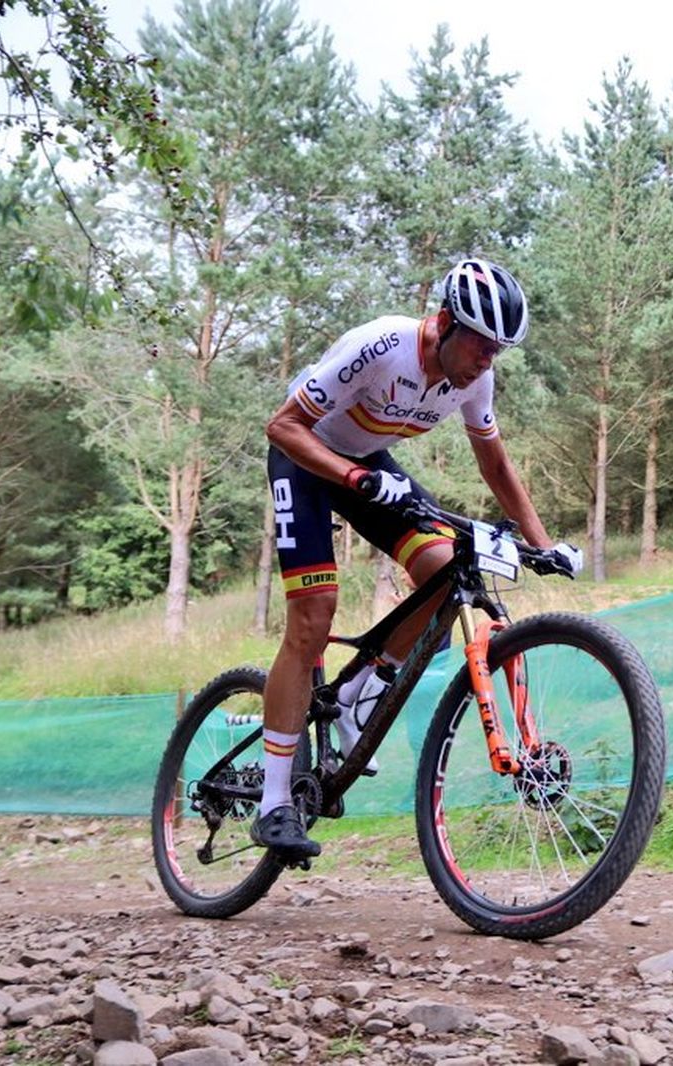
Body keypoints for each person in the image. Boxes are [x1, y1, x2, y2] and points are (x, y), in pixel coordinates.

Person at [256, 258, 583, 857]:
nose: (487, 361)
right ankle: (274, 802)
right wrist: (353, 475)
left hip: (368, 466)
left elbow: (495, 463)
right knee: (313, 619)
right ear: (443, 324)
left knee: (443, 575)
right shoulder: (381, 345)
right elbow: (282, 426)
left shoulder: (475, 378)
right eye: (481, 346)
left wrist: (542, 543)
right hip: (306, 458)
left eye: (498, 351)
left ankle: (361, 691)